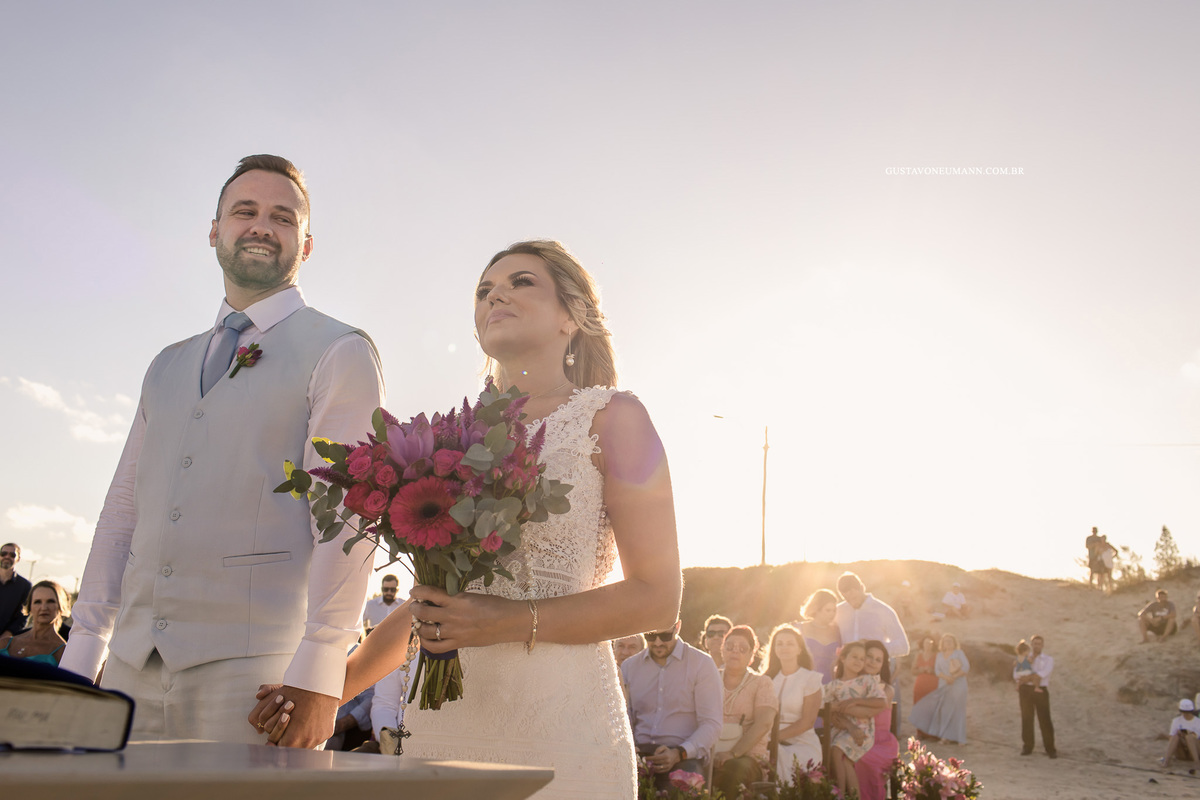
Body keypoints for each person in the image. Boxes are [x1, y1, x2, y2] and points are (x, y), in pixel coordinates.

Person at [262, 240, 682, 797]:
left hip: (562, 728)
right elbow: (428, 603)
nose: (495, 295)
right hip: (444, 729)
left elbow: (658, 598)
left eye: (521, 282)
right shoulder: (456, 440)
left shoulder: (614, 417)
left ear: (571, 315)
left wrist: (506, 621)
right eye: (484, 290)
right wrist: (322, 690)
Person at [59, 155, 385, 747]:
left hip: (260, 679)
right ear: (214, 231)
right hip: (129, 671)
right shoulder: (166, 364)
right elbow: (123, 509)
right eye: (245, 211)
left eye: (282, 218)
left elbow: (347, 520)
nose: (262, 225)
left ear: (305, 245)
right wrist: (84, 653)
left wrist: (321, 671)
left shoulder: (339, 350)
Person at [621, 621, 722, 788]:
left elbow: (712, 724)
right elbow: (624, 717)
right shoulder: (629, 667)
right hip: (638, 753)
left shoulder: (702, 664)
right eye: (651, 636)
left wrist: (678, 753)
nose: (658, 642)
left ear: (678, 627)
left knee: (681, 786)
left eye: (665, 636)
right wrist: (630, 748)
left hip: (683, 755)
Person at [713, 625, 777, 799]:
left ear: (751, 656)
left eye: (743, 649)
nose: (735, 652)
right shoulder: (709, 678)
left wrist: (732, 754)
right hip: (710, 751)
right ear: (722, 650)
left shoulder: (762, 683)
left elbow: (764, 723)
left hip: (747, 758)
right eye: (730, 646)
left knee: (733, 769)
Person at [824, 640, 886, 798]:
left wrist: (856, 701)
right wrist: (838, 712)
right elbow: (828, 708)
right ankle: (848, 794)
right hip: (841, 729)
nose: (859, 662)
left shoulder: (867, 681)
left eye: (862, 659)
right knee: (841, 757)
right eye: (855, 657)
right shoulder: (833, 685)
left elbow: (881, 702)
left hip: (863, 730)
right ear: (843, 658)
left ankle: (839, 795)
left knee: (836, 749)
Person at [764, 624, 823, 778]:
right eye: (780, 643)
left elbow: (808, 721)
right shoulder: (766, 680)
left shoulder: (810, 679)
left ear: (799, 649)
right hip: (767, 740)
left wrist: (772, 738)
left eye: (790, 643)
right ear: (774, 649)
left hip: (802, 742)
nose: (784, 647)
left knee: (779, 760)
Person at [855, 640, 900, 800]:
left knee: (861, 758)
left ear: (883, 665)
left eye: (878, 660)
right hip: (855, 738)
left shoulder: (887, 689)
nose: (873, 662)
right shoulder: (850, 684)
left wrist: (845, 705)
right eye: (869, 656)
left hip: (880, 743)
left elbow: (867, 712)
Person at [908, 633, 969, 745]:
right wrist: (946, 677)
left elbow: (966, 667)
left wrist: (953, 677)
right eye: (945, 641)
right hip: (941, 683)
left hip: (954, 684)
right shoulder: (939, 655)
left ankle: (958, 738)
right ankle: (943, 736)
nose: (948, 643)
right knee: (944, 710)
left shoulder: (957, 653)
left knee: (957, 710)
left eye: (950, 641)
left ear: (954, 643)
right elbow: (937, 670)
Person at [834, 573, 909, 660]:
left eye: (854, 597)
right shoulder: (838, 611)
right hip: (846, 670)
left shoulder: (883, 611)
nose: (852, 602)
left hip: (874, 670)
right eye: (847, 599)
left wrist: (873, 647)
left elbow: (903, 646)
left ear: (862, 588)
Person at [0, 581, 69, 664]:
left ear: (60, 606)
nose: (44, 607)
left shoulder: (63, 652)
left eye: (50, 601)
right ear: (30, 607)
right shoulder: (5, 643)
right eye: (38, 602)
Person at [1015, 633, 1056, 758]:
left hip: (1040, 690)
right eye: (1034, 644)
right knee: (1027, 718)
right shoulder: (1024, 658)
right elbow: (1016, 675)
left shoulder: (1048, 659)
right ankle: (1027, 746)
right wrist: (1027, 678)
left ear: (1042, 645)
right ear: (1031, 645)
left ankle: (1050, 748)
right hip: (1025, 691)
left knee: (1045, 719)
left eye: (1039, 644)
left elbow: (1043, 674)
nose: (1037, 646)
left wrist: (1027, 677)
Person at [798, 589, 841, 685]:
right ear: (816, 609)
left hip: (832, 682)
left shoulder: (838, 630)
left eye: (834, 610)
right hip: (806, 682)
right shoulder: (799, 628)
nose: (832, 614)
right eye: (828, 610)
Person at [0, 543, 32, 636]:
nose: (7, 557)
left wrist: (6, 636)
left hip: (6, 644)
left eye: (12, 555)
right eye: (4, 554)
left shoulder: (25, 586)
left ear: (18, 558)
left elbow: (23, 616)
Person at [1161, 698, 1200, 770]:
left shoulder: (1198, 721)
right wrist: (1180, 734)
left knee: (1189, 737)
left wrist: (1186, 732)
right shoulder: (1176, 721)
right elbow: (1171, 737)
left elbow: (1197, 736)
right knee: (1175, 736)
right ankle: (1166, 760)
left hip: (1195, 751)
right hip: (1182, 753)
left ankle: (1196, 762)